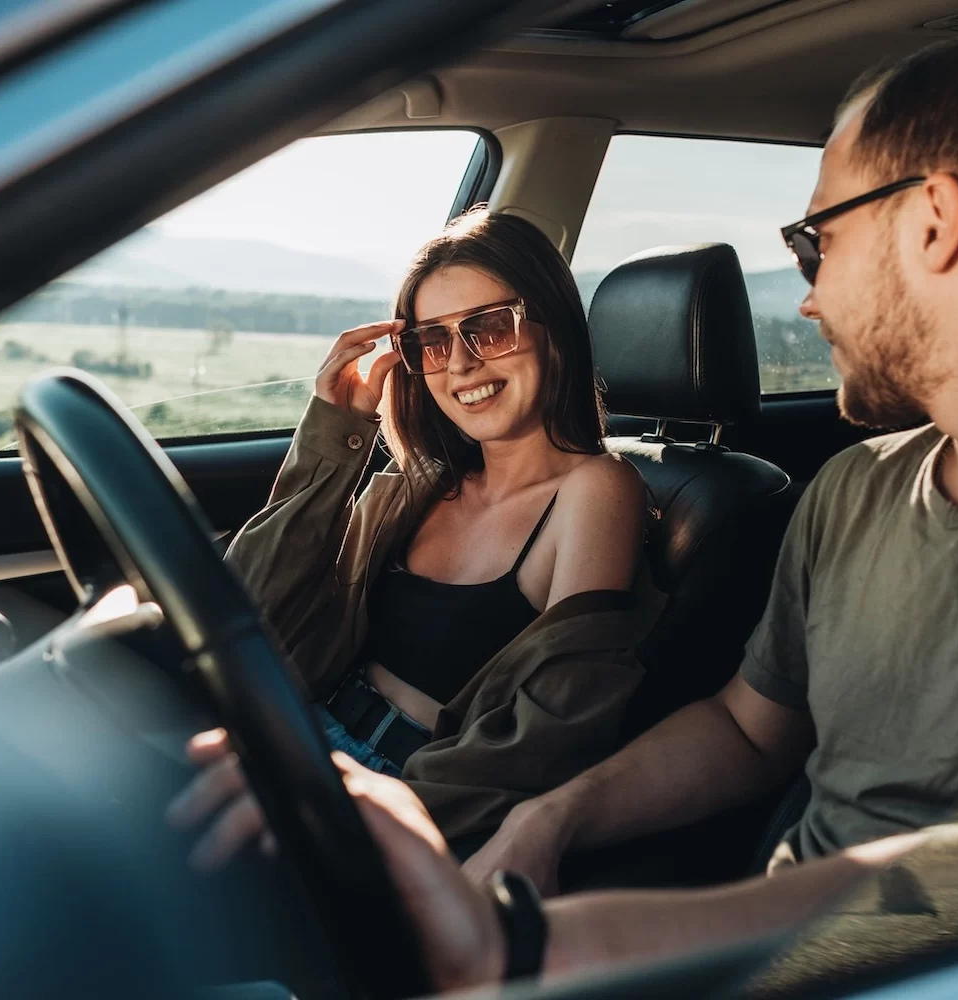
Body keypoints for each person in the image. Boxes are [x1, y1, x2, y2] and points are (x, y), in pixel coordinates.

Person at [463, 35, 958, 895]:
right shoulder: (856, 486)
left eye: (816, 242)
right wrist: (546, 819)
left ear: (935, 222)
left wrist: (586, 945)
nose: (809, 296)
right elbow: (749, 732)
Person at [168, 208, 662, 868]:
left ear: (554, 330)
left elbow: (551, 734)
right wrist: (333, 437)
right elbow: (252, 605)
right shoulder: (419, 484)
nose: (459, 364)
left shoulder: (597, 489)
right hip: (300, 729)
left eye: (487, 329)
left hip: (411, 794)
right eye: (431, 342)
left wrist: (351, 810)